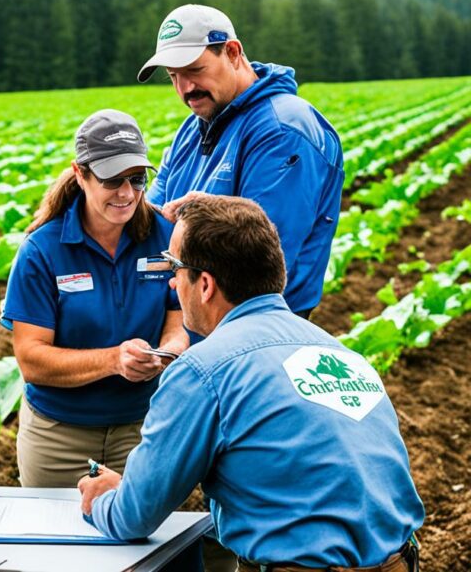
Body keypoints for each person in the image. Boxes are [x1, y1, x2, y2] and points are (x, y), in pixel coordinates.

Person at [77, 195, 425, 571]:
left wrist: (103, 498)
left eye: (175, 268)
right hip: (399, 561)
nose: (173, 284)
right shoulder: (341, 353)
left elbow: (135, 515)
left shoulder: (202, 371)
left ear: (205, 284)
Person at [3, 109, 188, 488]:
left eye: (137, 179)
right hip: (59, 438)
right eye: (111, 180)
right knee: (56, 540)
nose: (126, 193)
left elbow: (180, 321)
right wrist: (113, 360)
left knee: (144, 543)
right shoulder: (42, 250)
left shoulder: (165, 235)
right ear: (80, 174)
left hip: (145, 427)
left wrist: (167, 354)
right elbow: (32, 360)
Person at [139, 4, 344, 319]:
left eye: (194, 70)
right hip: (190, 313)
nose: (184, 89)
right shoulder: (194, 127)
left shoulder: (283, 130)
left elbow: (254, 268)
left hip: (252, 326)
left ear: (233, 52)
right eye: (173, 77)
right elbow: (150, 221)